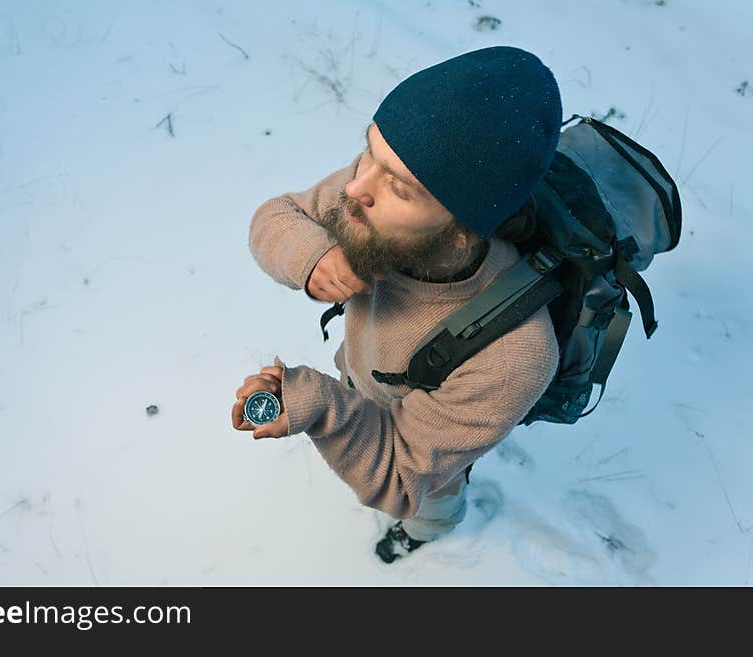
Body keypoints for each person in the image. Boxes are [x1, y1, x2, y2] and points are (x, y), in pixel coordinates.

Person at [232, 46, 562, 564]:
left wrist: (321, 407)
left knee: (429, 505)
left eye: (398, 189)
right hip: (366, 378)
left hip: (424, 452)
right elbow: (278, 215)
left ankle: (430, 535)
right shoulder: (371, 193)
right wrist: (311, 256)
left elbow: (401, 476)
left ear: (459, 235)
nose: (355, 187)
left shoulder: (513, 354)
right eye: (369, 152)